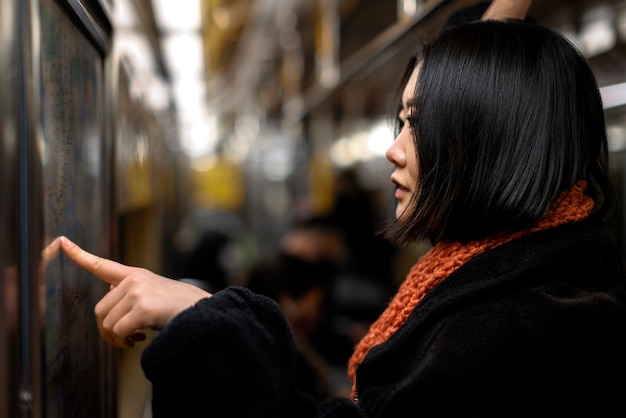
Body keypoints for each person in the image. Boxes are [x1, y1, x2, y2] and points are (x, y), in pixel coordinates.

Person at [57, 0, 626, 416]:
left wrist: (203, 324)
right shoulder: (537, 278)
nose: (393, 148)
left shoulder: (516, 333)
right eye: (402, 121)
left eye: (420, 124)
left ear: (486, 141)